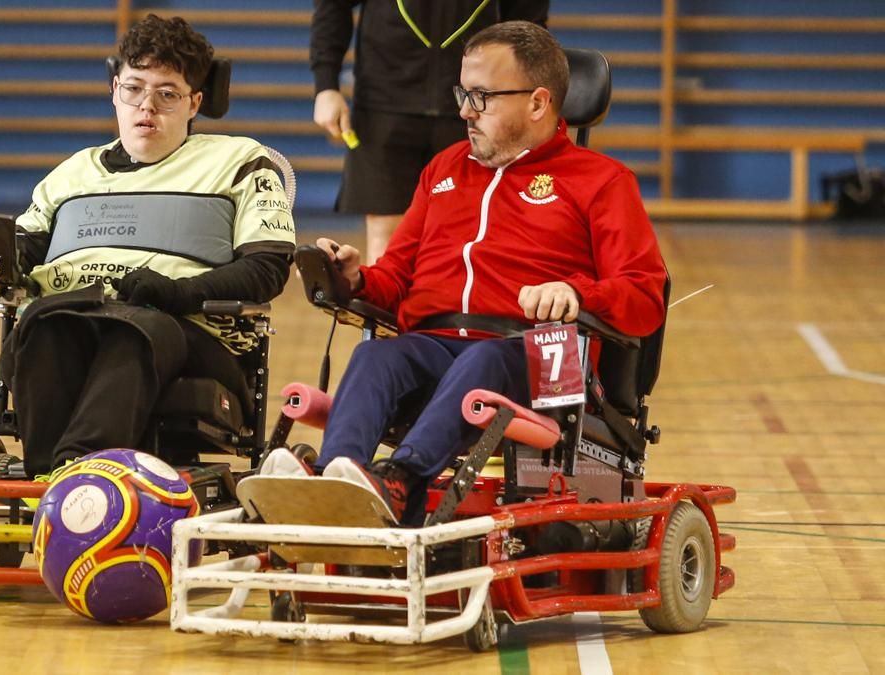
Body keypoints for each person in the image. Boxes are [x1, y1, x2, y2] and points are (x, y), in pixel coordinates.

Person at [264, 21, 667, 522]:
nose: (463, 111)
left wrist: (576, 294)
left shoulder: (602, 182)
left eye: (481, 96)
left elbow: (645, 297)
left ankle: (401, 482)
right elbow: (397, 275)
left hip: (547, 355)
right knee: (377, 357)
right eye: (462, 93)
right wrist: (356, 279)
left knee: (486, 362)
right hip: (437, 342)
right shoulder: (444, 169)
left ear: (538, 103)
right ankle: (334, 480)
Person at [0, 15, 295, 479]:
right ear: (115, 90)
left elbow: (268, 267)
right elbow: (27, 244)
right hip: (75, 313)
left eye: (167, 94)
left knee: (132, 331)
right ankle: (52, 481)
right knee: (41, 327)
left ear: (195, 102)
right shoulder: (73, 172)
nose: (146, 106)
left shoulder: (240, 161)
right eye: (134, 88)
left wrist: (176, 291)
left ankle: (79, 475)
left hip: (186, 326)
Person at [310, 0, 548, 262]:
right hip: (384, 103)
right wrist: (326, 85)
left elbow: (528, 28)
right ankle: (386, 304)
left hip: (473, 106)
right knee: (387, 240)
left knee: (470, 237)